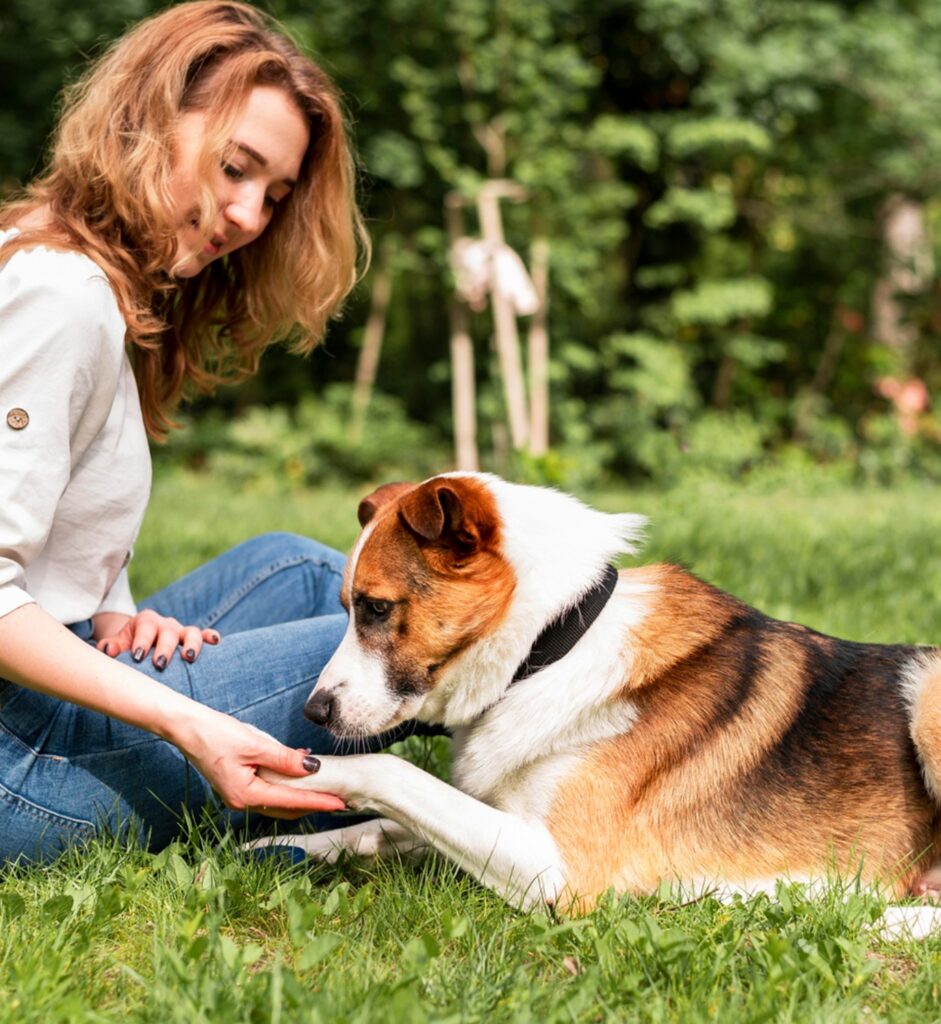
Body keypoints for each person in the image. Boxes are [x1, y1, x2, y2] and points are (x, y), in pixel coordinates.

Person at [0, 0, 371, 863]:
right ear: (148, 119)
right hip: (20, 761)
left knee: (308, 575)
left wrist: (114, 615)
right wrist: (186, 719)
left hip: (42, 677)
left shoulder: (53, 257)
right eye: (236, 168)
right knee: (391, 655)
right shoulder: (60, 297)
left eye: (274, 195)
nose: (248, 216)